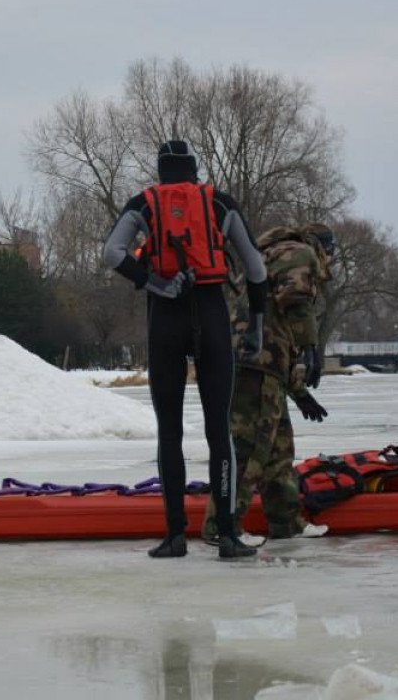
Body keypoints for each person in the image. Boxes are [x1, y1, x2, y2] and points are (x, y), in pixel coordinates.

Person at [102, 140, 268, 560]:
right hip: (212, 314)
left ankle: (175, 537)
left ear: (161, 171)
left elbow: (112, 252)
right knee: (219, 430)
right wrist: (257, 325)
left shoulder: (145, 203)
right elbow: (255, 267)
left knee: (170, 431)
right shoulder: (220, 203)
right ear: (194, 169)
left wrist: (154, 282)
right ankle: (228, 537)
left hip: (165, 317)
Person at [202, 223, 335, 541]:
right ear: (325, 248)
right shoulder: (299, 252)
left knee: (278, 450)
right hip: (253, 365)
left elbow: (277, 334)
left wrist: (299, 393)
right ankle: (222, 527)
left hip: (261, 365)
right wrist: (312, 346)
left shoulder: (272, 254)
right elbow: (295, 300)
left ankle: (285, 521)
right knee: (248, 449)